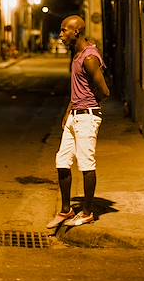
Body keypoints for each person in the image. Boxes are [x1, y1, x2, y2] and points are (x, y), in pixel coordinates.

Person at [47, 15, 110, 228]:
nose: (61, 34)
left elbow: (104, 91)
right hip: (75, 115)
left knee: (86, 164)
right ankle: (66, 210)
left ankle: (87, 212)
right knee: (62, 161)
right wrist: (69, 112)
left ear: (76, 32)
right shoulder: (77, 54)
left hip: (87, 117)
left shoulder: (90, 58)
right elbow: (77, 88)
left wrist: (88, 107)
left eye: (64, 30)